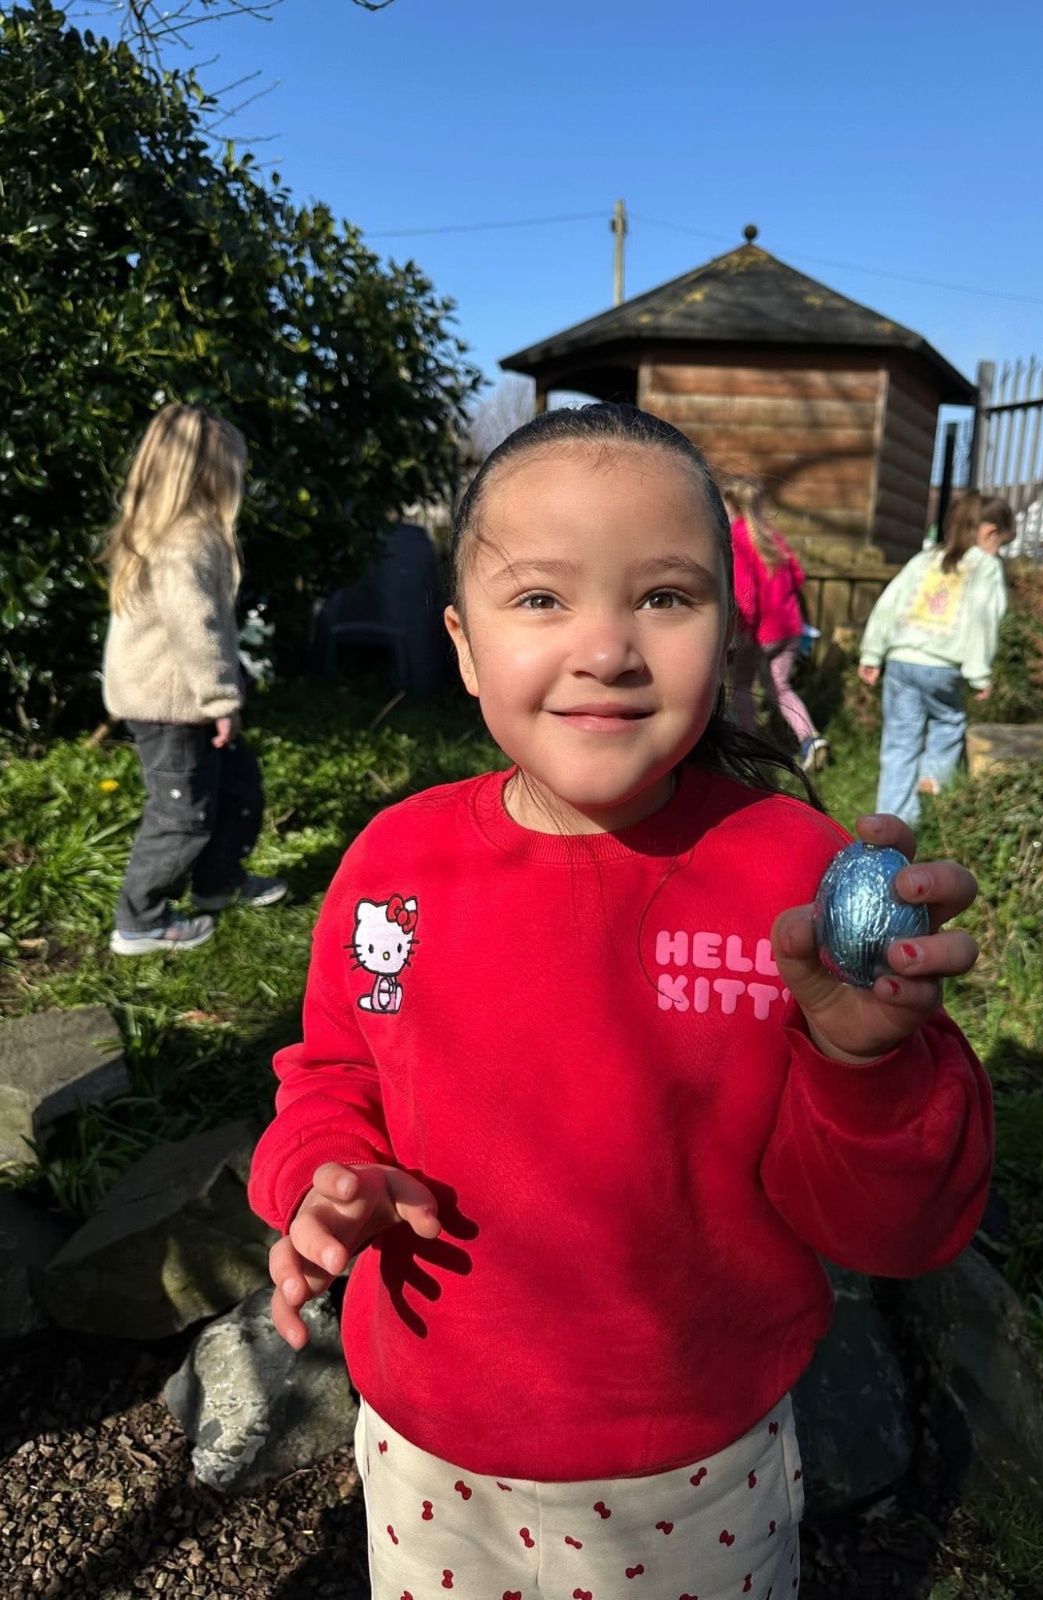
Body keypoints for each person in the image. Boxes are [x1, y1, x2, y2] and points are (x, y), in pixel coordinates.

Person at [249, 404, 993, 1600]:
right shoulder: (396, 865)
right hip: (430, 1448)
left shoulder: (793, 881)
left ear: (729, 631)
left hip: (695, 1469)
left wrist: (867, 1067)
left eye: (664, 596)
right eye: (542, 597)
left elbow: (899, 1232)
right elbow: (334, 1072)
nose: (607, 648)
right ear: (463, 643)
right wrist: (322, 1176)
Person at [101, 403, 286, 956]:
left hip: (185, 698)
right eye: (232, 468)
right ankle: (140, 920)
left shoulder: (171, 533)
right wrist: (221, 699)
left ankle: (217, 882)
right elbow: (193, 626)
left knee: (234, 786)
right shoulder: (185, 540)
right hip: (172, 703)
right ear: (208, 472)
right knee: (180, 813)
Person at [857, 492, 1016, 827]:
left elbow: (888, 604)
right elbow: (983, 620)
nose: (998, 551)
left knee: (899, 741)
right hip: (942, 667)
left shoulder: (924, 559)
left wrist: (872, 653)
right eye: (1000, 543)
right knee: (949, 723)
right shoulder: (986, 567)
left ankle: (889, 821)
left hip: (901, 662)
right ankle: (931, 778)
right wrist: (979, 673)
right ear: (989, 532)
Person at [724, 474, 829, 771]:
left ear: (732, 506)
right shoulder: (773, 537)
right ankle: (810, 739)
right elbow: (797, 577)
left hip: (758, 632)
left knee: (741, 686)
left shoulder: (736, 540)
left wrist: (740, 632)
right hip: (789, 628)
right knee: (781, 688)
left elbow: (745, 595)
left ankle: (750, 749)